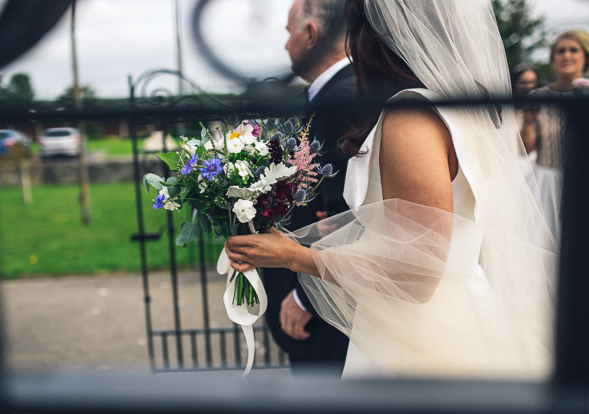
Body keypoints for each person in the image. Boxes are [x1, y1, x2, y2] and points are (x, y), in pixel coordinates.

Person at [227, 0, 557, 380]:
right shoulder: (459, 108)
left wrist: (297, 257)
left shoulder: (411, 118)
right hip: (457, 311)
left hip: (420, 337)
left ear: (376, 37)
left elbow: (417, 273)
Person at [261, 0, 359, 376]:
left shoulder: (342, 99)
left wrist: (306, 298)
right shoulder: (333, 95)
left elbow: (349, 216)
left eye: (289, 33)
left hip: (326, 311)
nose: (286, 45)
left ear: (311, 34)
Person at [521, 29, 589, 242]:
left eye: (573, 50)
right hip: (545, 183)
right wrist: (530, 123)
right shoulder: (538, 96)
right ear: (553, 59)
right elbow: (526, 149)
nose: (566, 56)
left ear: (585, 56)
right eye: (560, 51)